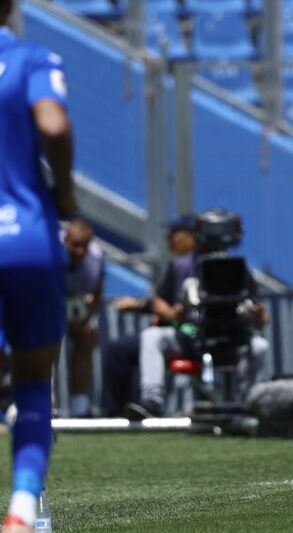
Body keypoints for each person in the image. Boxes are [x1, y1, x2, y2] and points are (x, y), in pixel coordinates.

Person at [0, 0, 78, 530]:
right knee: (32, 380)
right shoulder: (31, 59)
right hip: (23, 235)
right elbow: (52, 124)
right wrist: (67, 201)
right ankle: (25, 509)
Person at [125, 211, 269, 420]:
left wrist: (258, 316)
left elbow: (259, 317)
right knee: (152, 336)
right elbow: (161, 300)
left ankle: (244, 403)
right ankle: (152, 401)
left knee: (260, 347)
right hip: (190, 336)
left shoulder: (238, 268)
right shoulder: (180, 266)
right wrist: (175, 313)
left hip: (231, 340)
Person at [101, 214, 197, 417]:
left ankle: (148, 403)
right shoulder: (179, 265)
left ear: (190, 235)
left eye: (174, 233)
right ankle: (128, 410)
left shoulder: (194, 264)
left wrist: (142, 305)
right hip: (178, 335)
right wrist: (158, 308)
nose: (169, 238)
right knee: (124, 349)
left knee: (148, 338)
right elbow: (163, 302)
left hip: (192, 336)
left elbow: (172, 312)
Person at [62, 217, 104, 417]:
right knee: (45, 338)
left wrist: (87, 317)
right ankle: (44, 403)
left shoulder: (95, 258)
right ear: (66, 240)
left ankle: (79, 406)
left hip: (72, 312)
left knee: (89, 335)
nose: (80, 251)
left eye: (84, 246)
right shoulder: (49, 253)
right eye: (76, 245)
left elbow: (97, 293)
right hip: (45, 309)